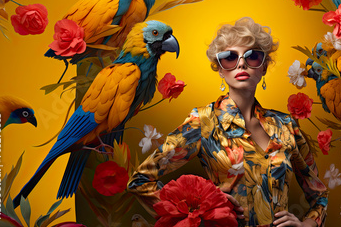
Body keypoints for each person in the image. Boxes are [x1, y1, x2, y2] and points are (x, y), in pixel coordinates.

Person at [128, 17, 328, 227]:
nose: (241, 63)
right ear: (220, 69)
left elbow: (319, 195)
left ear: (264, 67)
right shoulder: (203, 121)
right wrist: (202, 210)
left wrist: (308, 225)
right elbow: (140, 181)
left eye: (253, 57)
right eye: (230, 57)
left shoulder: (286, 125)